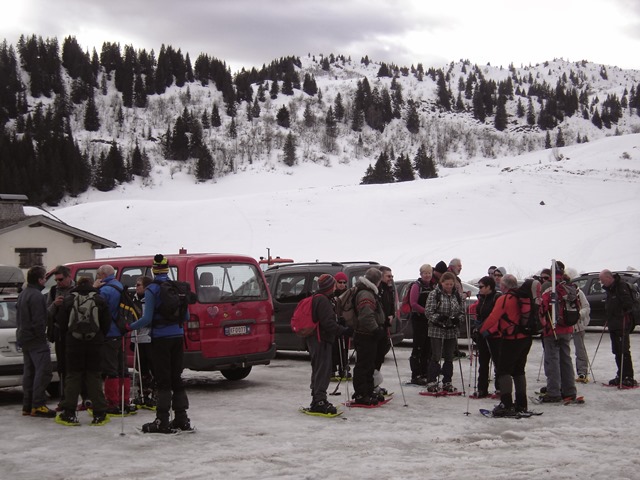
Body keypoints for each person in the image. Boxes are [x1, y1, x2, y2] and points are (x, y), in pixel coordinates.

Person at [127, 254, 192, 433]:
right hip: (178, 337)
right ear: (167, 268)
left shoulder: (152, 289)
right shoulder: (177, 287)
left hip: (160, 339)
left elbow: (147, 319)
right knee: (176, 378)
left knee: (163, 381)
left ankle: (162, 421)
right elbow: (185, 316)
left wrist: (129, 326)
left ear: (154, 269)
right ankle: (182, 419)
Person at [55, 277, 111, 426]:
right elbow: (106, 323)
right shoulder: (99, 299)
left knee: (73, 377)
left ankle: (69, 413)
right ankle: (99, 413)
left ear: (77, 285)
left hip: (74, 343)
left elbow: (61, 323)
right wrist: (99, 337)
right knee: (94, 376)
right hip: (95, 343)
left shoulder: (68, 299)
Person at [480, 274, 533, 416]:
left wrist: (481, 330)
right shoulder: (523, 297)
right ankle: (521, 404)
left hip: (511, 339)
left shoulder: (505, 299)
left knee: (503, 371)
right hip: (526, 338)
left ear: (503, 286)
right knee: (519, 371)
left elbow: (493, 317)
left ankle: (506, 403)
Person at [94, 264, 135, 415]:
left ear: (102, 276)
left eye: (98, 275)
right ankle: (124, 400)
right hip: (121, 332)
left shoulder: (104, 290)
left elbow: (96, 307)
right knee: (123, 368)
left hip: (109, 333)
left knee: (111, 369)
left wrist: (94, 288)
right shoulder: (119, 286)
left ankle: (112, 403)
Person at [16, 265, 56, 417]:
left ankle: (27, 405)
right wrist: (41, 335)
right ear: (40, 280)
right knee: (44, 371)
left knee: (30, 372)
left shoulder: (23, 293)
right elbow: (39, 320)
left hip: (24, 337)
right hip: (35, 339)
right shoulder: (37, 296)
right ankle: (38, 405)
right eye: (45, 277)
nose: (46, 280)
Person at [306, 274, 349, 414]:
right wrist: (343, 330)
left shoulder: (321, 298)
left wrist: (339, 322)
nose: (337, 286)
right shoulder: (323, 300)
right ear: (330, 286)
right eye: (335, 284)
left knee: (319, 369)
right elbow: (327, 323)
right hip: (321, 339)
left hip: (318, 339)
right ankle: (319, 400)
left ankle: (317, 399)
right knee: (322, 371)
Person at [540, 261, 578, 402]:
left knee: (552, 361)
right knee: (566, 359)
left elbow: (542, 306)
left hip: (553, 329)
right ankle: (569, 390)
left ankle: (554, 392)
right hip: (567, 327)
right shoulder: (569, 286)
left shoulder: (549, 287)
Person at [351, 267, 387, 406]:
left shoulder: (367, 291)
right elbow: (366, 316)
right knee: (364, 365)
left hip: (367, 334)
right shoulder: (366, 294)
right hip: (365, 334)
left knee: (369, 365)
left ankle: (368, 390)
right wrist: (376, 329)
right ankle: (361, 393)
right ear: (377, 281)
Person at [425, 272, 463, 393]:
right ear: (442, 283)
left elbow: (461, 312)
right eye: (447, 284)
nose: (449, 286)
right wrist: (439, 318)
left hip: (451, 330)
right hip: (437, 329)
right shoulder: (434, 294)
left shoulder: (456, 295)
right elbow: (428, 312)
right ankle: (432, 380)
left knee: (449, 356)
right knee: (436, 355)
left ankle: (447, 380)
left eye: (451, 284)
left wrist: (457, 319)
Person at [599, 269, 637, 387]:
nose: (601, 283)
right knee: (616, 351)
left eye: (602, 280)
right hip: (613, 324)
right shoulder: (610, 289)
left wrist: (622, 312)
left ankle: (628, 377)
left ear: (609, 278)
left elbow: (628, 304)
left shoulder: (621, 286)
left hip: (622, 324)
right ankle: (620, 375)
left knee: (623, 350)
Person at [46, 265, 75, 406]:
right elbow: (47, 313)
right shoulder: (53, 291)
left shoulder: (77, 290)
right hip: (59, 333)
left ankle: (79, 397)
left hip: (75, 333)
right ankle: (64, 398)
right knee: (62, 366)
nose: (58, 282)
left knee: (75, 366)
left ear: (69, 277)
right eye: (56, 280)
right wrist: (54, 304)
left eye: (60, 279)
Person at [471, 275, 502, 398]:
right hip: (482, 334)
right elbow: (478, 314)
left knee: (497, 362)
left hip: (494, 334)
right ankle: (482, 389)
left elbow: (496, 317)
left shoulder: (496, 298)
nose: (480, 289)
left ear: (489, 287)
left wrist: (486, 329)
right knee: (483, 362)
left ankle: (500, 388)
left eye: (482, 287)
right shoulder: (481, 298)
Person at [408, 264, 435, 385]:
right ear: (421, 274)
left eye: (429, 273)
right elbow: (413, 303)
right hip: (419, 320)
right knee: (418, 347)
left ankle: (425, 372)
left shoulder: (433, 286)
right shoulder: (416, 286)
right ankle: (416, 374)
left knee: (427, 348)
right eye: (425, 273)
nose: (428, 275)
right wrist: (426, 312)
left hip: (429, 320)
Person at [131, 276, 155, 408]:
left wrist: (134, 325)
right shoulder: (134, 299)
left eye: (139, 285)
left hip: (149, 338)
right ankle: (143, 394)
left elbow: (148, 319)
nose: (136, 287)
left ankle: (154, 395)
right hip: (137, 338)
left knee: (153, 367)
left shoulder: (150, 299)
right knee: (141, 368)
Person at [374, 266, 394, 395]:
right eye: (388, 276)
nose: (391, 278)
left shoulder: (389, 289)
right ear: (381, 277)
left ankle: (376, 384)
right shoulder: (377, 290)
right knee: (375, 358)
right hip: (376, 328)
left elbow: (391, 305)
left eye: (391, 276)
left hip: (385, 327)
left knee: (380, 357)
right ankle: (373, 385)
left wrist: (392, 315)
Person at [569, 274, 591, 383]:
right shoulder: (558, 292)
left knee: (580, 349)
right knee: (563, 350)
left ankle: (582, 372)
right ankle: (564, 372)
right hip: (564, 325)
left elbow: (586, 307)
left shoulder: (578, 292)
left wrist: (578, 314)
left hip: (578, 324)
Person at [330, 272, 349, 379]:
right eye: (339, 282)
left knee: (344, 347)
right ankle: (332, 369)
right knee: (334, 347)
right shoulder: (332, 294)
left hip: (344, 323)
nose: (342, 284)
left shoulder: (348, 294)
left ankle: (343, 368)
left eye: (344, 282)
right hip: (334, 324)